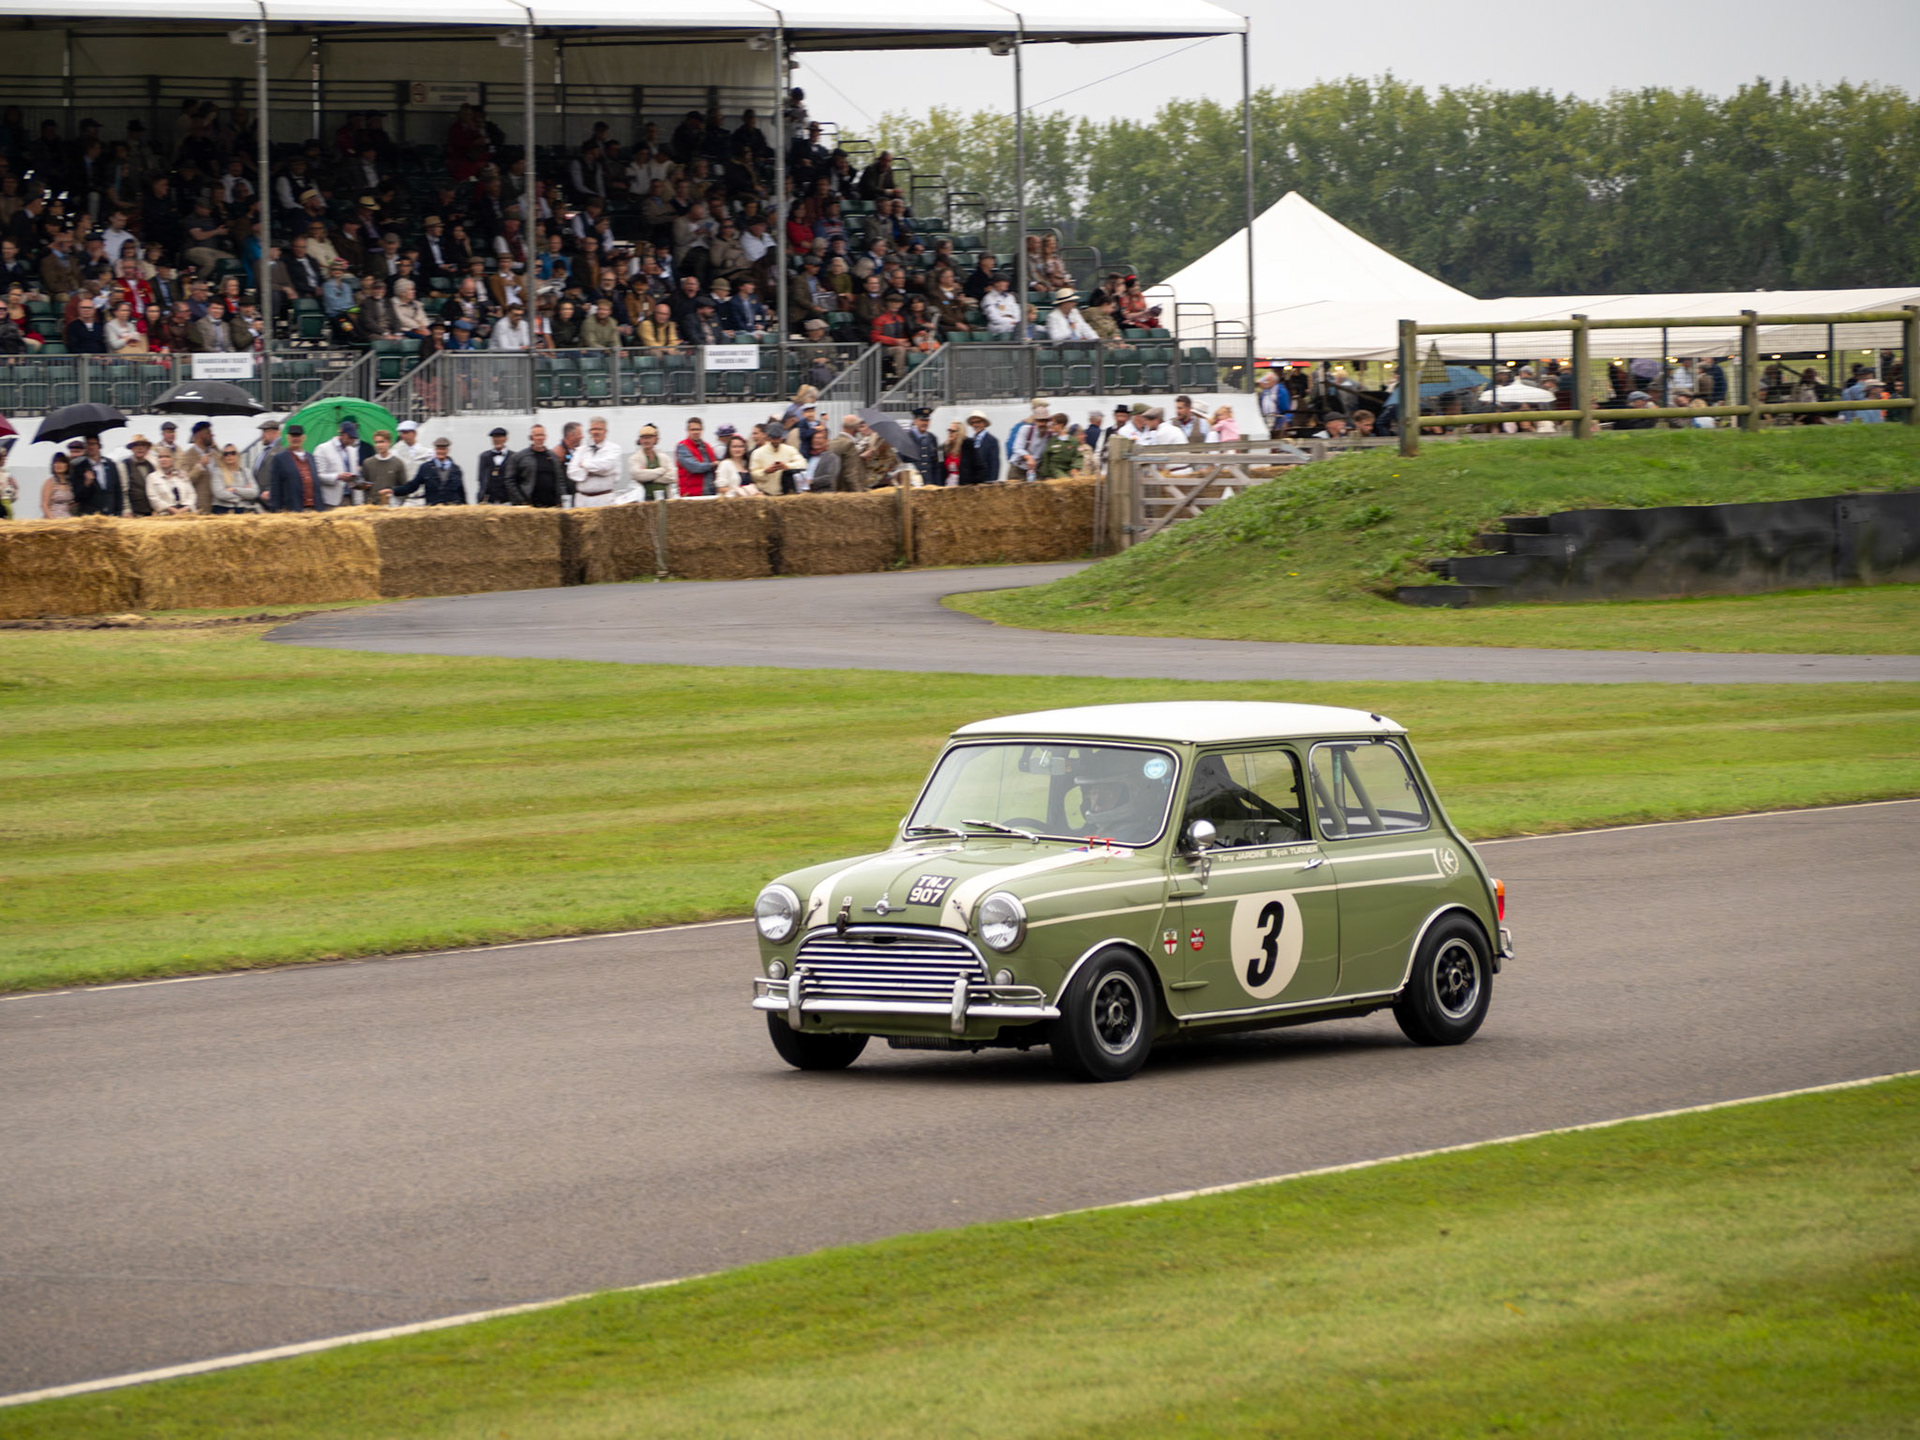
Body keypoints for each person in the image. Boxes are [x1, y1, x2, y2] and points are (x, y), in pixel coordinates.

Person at [389, 436, 467, 505]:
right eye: (439, 449)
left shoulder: (456, 470)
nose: (441, 451)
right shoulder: (426, 468)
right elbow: (413, 486)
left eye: (443, 449)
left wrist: (465, 508)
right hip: (433, 510)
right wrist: (394, 491)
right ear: (435, 450)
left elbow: (461, 492)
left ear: (448, 450)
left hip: (452, 510)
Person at [313, 419, 374, 508]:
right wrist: (338, 476)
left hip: (350, 500)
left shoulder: (352, 451)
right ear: (343, 435)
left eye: (354, 438)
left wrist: (361, 485)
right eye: (351, 438)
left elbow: (355, 475)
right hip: (331, 502)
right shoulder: (322, 449)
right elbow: (318, 476)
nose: (353, 441)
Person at [265, 424, 326, 511]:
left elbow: (316, 485)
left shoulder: (310, 457)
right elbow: (275, 486)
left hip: (314, 510)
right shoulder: (280, 458)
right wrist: (276, 509)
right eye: (293, 436)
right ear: (288, 438)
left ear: (304, 437)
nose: (295, 439)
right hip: (293, 509)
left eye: (298, 436)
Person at [567, 415, 624, 506]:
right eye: (593, 429)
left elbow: (605, 466)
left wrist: (583, 465)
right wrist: (597, 472)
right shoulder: (581, 450)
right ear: (590, 432)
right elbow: (571, 472)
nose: (596, 432)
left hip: (604, 499)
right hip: (582, 500)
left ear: (605, 432)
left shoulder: (614, 449)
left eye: (599, 429)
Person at [506, 424, 565, 507]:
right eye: (537, 435)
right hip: (530, 505)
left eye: (542, 435)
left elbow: (560, 480)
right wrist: (521, 500)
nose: (540, 438)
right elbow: (510, 480)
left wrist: (561, 499)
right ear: (531, 437)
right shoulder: (519, 457)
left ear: (545, 437)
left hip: (551, 505)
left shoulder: (553, 457)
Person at [750, 422, 805, 496]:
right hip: (766, 494)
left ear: (781, 437)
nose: (776, 440)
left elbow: (803, 464)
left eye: (778, 438)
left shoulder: (790, 450)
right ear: (768, 437)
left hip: (785, 494)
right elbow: (753, 474)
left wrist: (787, 466)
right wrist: (766, 471)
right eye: (773, 438)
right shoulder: (757, 453)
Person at [209, 442, 261, 513]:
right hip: (222, 509)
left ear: (237, 455)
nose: (229, 456)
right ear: (222, 457)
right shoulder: (217, 472)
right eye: (226, 454)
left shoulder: (246, 472)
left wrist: (234, 490)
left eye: (232, 453)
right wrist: (243, 496)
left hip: (243, 509)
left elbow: (255, 492)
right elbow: (219, 493)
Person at [360, 428, 408, 505]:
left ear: (389, 442)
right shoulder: (367, 463)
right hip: (372, 506)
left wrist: (397, 500)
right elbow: (364, 486)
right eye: (376, 442)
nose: (379, 445)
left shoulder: (398, 463)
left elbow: (404, 487)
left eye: (382, 442)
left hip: (392, 505)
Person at [145, 450, 198, 515]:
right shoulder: (152, 477)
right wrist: (172, 510)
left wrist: (185, 509)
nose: (163, 459)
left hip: (186, 514)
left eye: (167, 457)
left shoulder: (183, 475)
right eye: (160, 457)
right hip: (165, 515)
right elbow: (153, 498)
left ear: (173, 459)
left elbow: (192, 494)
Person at [675, 418, 717, 497]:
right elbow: (694, 467)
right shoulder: (682, 447)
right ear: (688, 431)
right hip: (691, 494)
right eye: (693, 430)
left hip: (710, 491)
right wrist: (713, 465)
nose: (696, 432)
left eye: (698, 429)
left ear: (702, 430)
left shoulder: (707, 446)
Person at [629, 425, 672, 500]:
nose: (646, 441)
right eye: (644, 438)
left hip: (665, 501)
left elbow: (673, 476)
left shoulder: (664, 457)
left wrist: (649, 479)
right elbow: (638, 475)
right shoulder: (634, 458)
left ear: (655, 439)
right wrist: (661, 470)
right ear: (640, 440)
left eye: (649, 438)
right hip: (644, 502)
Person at [902, 407, 941, 488]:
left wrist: (937, 485)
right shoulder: (906, 438)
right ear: (915, 421)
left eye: (927, 420)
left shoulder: (932, 438)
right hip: (913, 485)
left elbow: (936, 465)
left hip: (929, 484)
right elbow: (902, 462)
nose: (924, 423)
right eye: (922, 420)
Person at [957, 411, 999, 486]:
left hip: (986, 481)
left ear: (984, 423)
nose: (976, 425)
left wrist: (992, 480)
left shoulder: (991, 440)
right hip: (974, 481)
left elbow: (994, 462)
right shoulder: (971, 441)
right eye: (973, 423)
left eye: (978, 422)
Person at [475, 427, 515, 504]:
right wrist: (480, 497)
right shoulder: (484, 456)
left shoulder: (514, 457)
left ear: (505, 439)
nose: (497, 440)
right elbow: (481, 478)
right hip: (489, 500)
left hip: (508, 500)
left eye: (499, 437)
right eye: (494, 437)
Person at [1037, 413, 1080, 479]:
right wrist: (1046, 475)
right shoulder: (1051, 441)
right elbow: (1046, 459)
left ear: (1061, 425)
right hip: (1054, 472)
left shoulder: (1073, 441)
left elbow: (1079, 456)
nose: (1051, 426)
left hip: (1068, 471)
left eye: (1053, 424)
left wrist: (1076, 468)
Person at [40, 451, 77, 518]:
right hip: (53, 519)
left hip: (67, 518)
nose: (58, 465)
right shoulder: (50, 482)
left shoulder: (69, 483)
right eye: (56, 462)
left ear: (66, 465)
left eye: (61, 462)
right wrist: (52, 521)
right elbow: (44, 504)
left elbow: (70, 504)